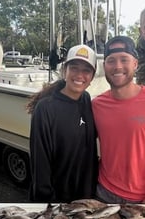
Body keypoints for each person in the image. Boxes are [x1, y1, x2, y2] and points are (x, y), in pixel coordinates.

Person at [92, 36, 145, 204]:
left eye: (124, 59)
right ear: (104, 66)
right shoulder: (97, 105)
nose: (117, 66)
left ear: (135, 64)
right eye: (111, 61)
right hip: (101, 193)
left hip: (140, 199)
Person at [27, 44, 98, 203]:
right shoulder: (45, 108)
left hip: (84, 198)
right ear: (64, 70)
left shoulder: (86, 99)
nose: (79, 75)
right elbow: (40, 161)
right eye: (74, 68)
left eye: (86, 70)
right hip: (56, 200)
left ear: (92, 77)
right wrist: (47, 203)